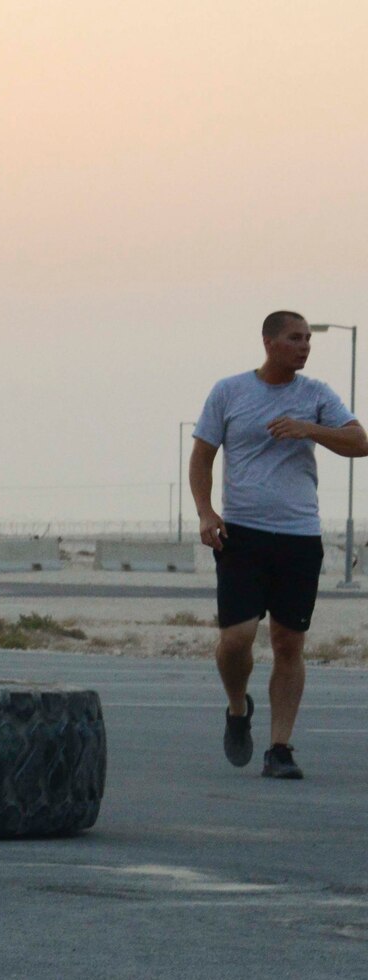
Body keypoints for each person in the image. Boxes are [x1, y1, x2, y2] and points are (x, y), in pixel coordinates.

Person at [190, 310, 365, 780]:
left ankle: (280, 748)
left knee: (289, 642)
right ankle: (236, 707)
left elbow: (359, 441)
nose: (305, 346)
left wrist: (310, 429)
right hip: (242, 534)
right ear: (269, 342)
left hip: (299, 536)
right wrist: (206, 512)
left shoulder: (316, 395)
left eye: (308, 338)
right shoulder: (229, 392)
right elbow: (202, 456)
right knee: (236, 639)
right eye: (295, 338)